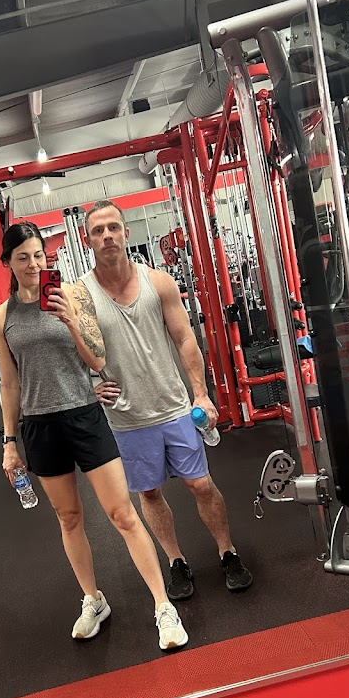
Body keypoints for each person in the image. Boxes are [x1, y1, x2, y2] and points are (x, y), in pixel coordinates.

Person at [0, 221, 188, 651]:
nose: (33, 264)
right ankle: (93, 600)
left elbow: (97, 360)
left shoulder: (73, 296)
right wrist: (9, 443)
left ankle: (163, 606)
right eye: (23, 258)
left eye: (39, 255)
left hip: (84, 417)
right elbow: (10, 383)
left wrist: (70, 320)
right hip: (40, 427)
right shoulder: (2, 318)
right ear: (7, 262)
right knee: (69, 519)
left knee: (123, 514)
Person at [82, 200, 253, 601]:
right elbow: (69, 353)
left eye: (113, 227)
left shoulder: (158, 282)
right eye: (98, 231)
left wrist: (201, 393)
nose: (107, 236)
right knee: (150, 493)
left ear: (126, 233)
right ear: (88, 241)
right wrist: (88, 388)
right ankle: (176, 560)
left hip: (174, 406)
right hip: (127, 417)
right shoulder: (81, 296)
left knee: (200, 484)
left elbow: (184, 338)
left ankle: (227, 551)